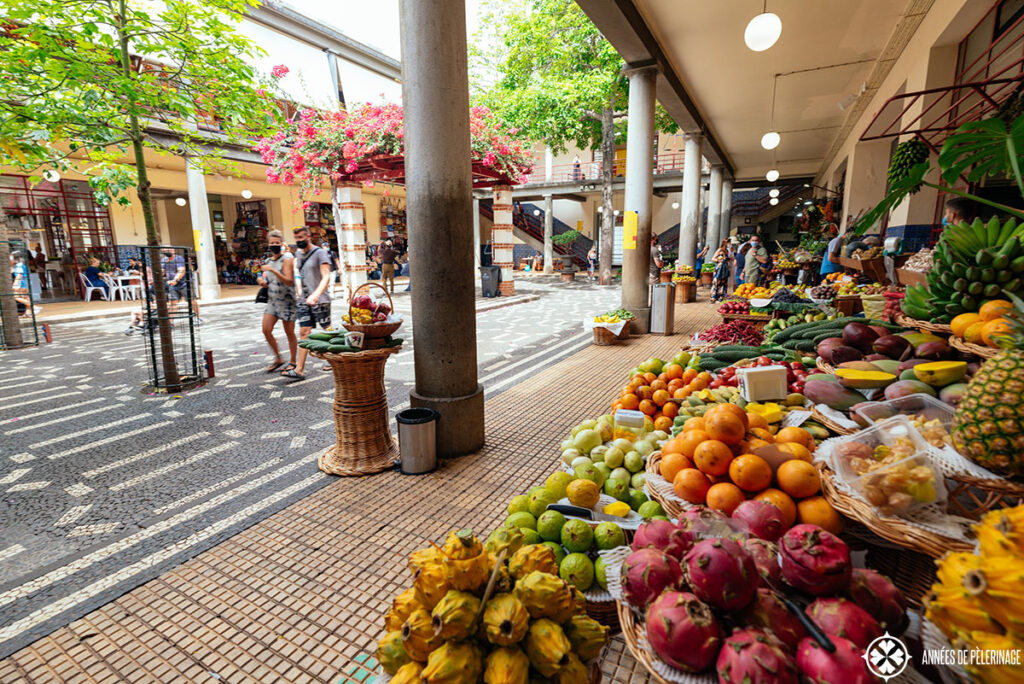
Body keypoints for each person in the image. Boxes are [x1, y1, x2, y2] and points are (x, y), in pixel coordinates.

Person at [282, 226, 332, 380]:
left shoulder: (320, 253)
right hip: (303, 300)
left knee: (328, 331)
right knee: (304, 332)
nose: (299, 241)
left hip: (320, 299)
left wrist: (316, 294)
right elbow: (297, 275)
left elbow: (326, 276)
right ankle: (299, 369)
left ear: (309, 237)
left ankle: (335, 359)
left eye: (301, 238)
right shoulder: (297, 254)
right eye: (296, 238)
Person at [258, 230, 298, 373]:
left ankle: (293, 361)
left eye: (277, 242)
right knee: (266, 330)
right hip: (272, 301)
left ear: (281, 244)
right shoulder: (268, 261)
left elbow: (288, 281)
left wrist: (274, 271)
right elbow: (266, 277)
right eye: (272, 243)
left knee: (289, 332)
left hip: (287, 301)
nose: (274, 245)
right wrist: (262, 281)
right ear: (268, 244)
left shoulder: (287, 260)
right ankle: (278, 358)